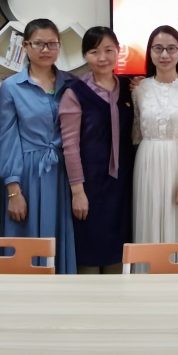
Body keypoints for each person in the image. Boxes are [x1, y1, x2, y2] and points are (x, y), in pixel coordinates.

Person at [0, 18, 76, 274]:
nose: (45, 49)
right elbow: (7, 138)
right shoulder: (11, 87)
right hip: (27, 173)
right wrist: (13, 190)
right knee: (26, 240)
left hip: (62, 173)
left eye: (52, 44)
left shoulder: (71, 83)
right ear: (25, 46)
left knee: (58, 237)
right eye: (38, 44)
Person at [59, 27, 133, 274]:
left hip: (122, 186)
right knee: (89, 254)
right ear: (85, 55)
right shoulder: (75, 92)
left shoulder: (128, 87)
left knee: (119, 253)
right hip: (89, 185)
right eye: (94, 52)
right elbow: (70, 147)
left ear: (118, 51)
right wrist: (78, 192)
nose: (102, 58)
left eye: (109, 50)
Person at [132, 25, 178, 244]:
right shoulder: (140, 88)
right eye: (158, 48)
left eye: (171, 48)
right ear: (150, 52)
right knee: (150, 221)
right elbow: (136, 132)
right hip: (147, 163)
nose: (164, 55)